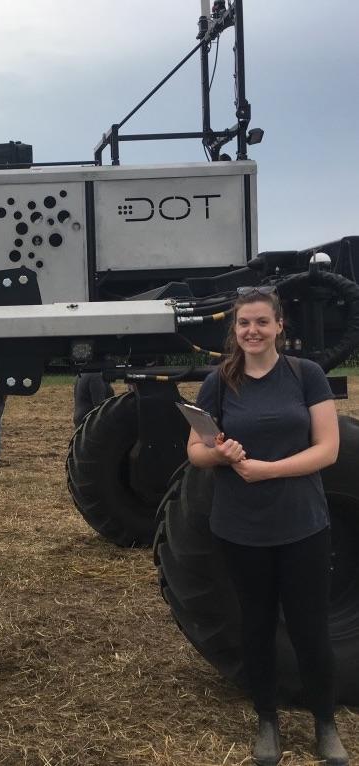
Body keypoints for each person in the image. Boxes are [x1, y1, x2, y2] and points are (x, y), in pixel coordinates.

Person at [186, 286, 347, 766]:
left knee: (310, 627)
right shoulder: (218, 382)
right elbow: (195, 452)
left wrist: (267, 470)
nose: (252, 331)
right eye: (243, 323)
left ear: (279, 326)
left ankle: (325, 723)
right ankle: (267, 720)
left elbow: (328, 449)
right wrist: (220, 453)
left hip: (303, 525)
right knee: (255, 625)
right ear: (234, 330)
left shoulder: (305, 374)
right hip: (240, 528)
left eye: (261, 322)